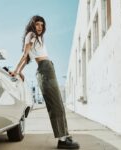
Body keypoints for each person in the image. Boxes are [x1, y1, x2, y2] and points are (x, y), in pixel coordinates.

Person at [11, 15, 80, 149]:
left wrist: (19, 71)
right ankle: (62, 140)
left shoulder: (36, 38)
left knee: (58, 103)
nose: (40, 27)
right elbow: (25, 55)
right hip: (45, 69)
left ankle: (64, 135)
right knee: (56, 105)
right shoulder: (31, 34)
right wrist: (15, 70)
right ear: (32, 25)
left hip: (47, 68)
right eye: (37, 24)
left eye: (42, 25)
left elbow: (27, 58)